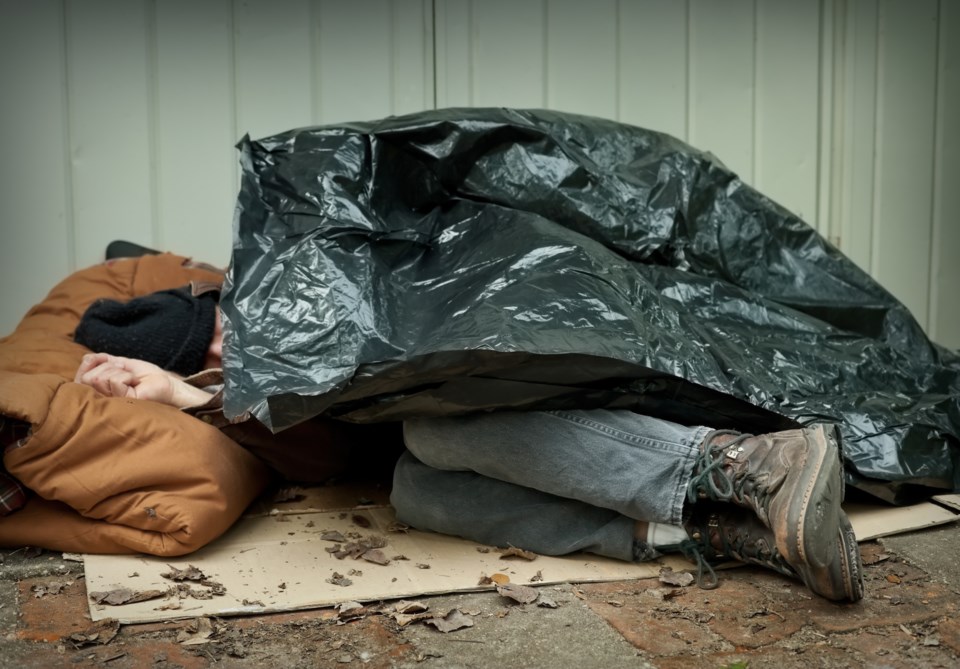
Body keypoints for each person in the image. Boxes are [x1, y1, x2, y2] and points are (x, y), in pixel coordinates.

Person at [72, 283, 864, 603]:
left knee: (429, 426)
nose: (225, 354)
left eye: (217, 337)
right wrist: (194, 395)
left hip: (520, 387)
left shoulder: (288, 289)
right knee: (415, 487)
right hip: (443, 441)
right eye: (202, 357)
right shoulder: (223, 394)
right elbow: (332, 458)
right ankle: (714, 529)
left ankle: (744, 462)